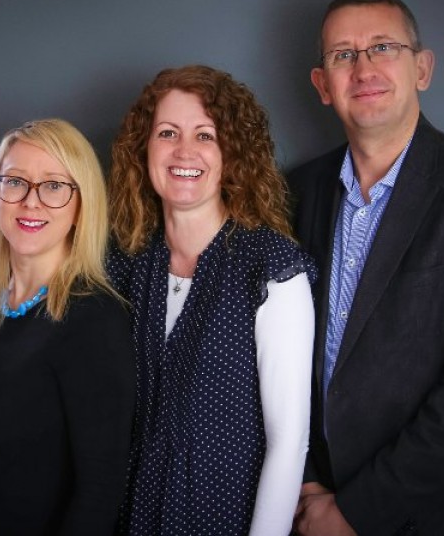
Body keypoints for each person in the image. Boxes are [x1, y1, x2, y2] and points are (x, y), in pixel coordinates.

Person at [289, 0, 444, 536]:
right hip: (311, 507)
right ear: (323, 85)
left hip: (438, 515)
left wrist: (353, 513)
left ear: (422, 68)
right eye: (344, 55)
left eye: (384, 47)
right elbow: (272, 359)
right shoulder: (294, 193)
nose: (364, 69)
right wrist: (305, 486)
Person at [107, 65, 316, 535]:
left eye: (206, 135)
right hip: (128, 512)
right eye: (167, 132)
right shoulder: (122, 263)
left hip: (223, 513)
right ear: (143, 147)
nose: (184, 150)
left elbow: (289, 443)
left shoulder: (272, 267)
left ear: (232, 154)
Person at [0, 119, 135, 534]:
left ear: (81, 205)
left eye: (53, 186)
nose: (31, 201)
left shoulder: (95, 320)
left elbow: (100, 492)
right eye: (16, 182)